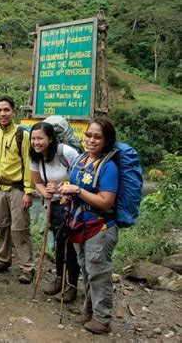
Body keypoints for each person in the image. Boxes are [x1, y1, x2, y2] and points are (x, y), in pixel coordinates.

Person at [59, 118, 119, 334]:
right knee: (86, 269)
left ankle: (102, 319)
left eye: (97, 137)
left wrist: (77, 191)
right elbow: (74, 187)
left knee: (98, 272)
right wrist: (66, 194)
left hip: (100, 227)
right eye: (88, 135)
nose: (91, 140)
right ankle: (89, 310)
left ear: (106, 140)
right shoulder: (82, 159)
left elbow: (106, 201)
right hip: (79, 225)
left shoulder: (108, 167)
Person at [0, 95, 34, 284]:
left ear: (13, 112)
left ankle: (27, 268)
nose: (2, 113)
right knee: (2, 226)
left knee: (20, 229)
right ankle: (3, 260)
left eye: (6, 110)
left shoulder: (22, 135)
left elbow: (28, 163)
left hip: (17, 189)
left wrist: (28, 191)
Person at [29, 122, 80, 302]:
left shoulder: (66, 153)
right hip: (56, 205)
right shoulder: (35, 157)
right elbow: (38, 182)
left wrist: (62, 189)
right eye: (33, 138)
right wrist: (47, 193)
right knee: (59, 242)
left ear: (50, 139)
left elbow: (82, 178)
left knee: (71, 245)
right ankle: (60, 279)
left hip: (74, 205)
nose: (36, 142)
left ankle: (72, 285)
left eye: (40, 138)